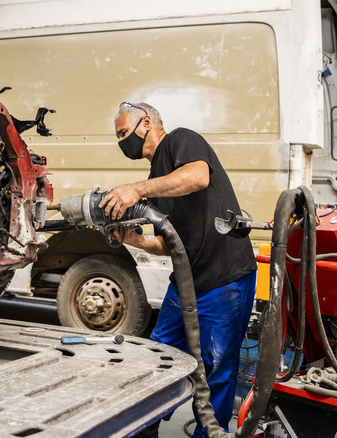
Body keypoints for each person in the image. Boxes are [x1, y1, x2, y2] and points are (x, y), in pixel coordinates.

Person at [100, 102, 257, 437]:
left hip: (224, 277)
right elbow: (167, 243)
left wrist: (136, 190)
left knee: (216, 366)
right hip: (186, 282)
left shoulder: (181, 141)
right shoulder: (158, 179)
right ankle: (144, 428)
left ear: (146, 122)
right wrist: (133, 240)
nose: (121, 142)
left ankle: (209, 434)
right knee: (159, 355)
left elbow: (198, 177)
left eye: (124, 133)